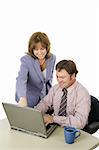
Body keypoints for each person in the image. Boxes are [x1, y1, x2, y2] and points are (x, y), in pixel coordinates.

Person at [35, 60, 91, 129]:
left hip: (72, 131)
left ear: (73, 76)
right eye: (57, 77)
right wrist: (35, 114)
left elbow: (80, 122)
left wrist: (54, 119)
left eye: (62, 77)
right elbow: (45, 103)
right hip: (54, 127)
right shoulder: (56, 88)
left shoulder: (82, 93)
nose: (59, 80)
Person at [15, 32, 56, 107]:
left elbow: (49, 80)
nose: (39, 52)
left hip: (44, 100)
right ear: (32, 49)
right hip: (28, 99)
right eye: (36, 49)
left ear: (47, 48)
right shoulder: (26, 60)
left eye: (42, 49)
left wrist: (50, 98)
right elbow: (21, 79)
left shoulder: (52, 58)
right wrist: (22, 98)